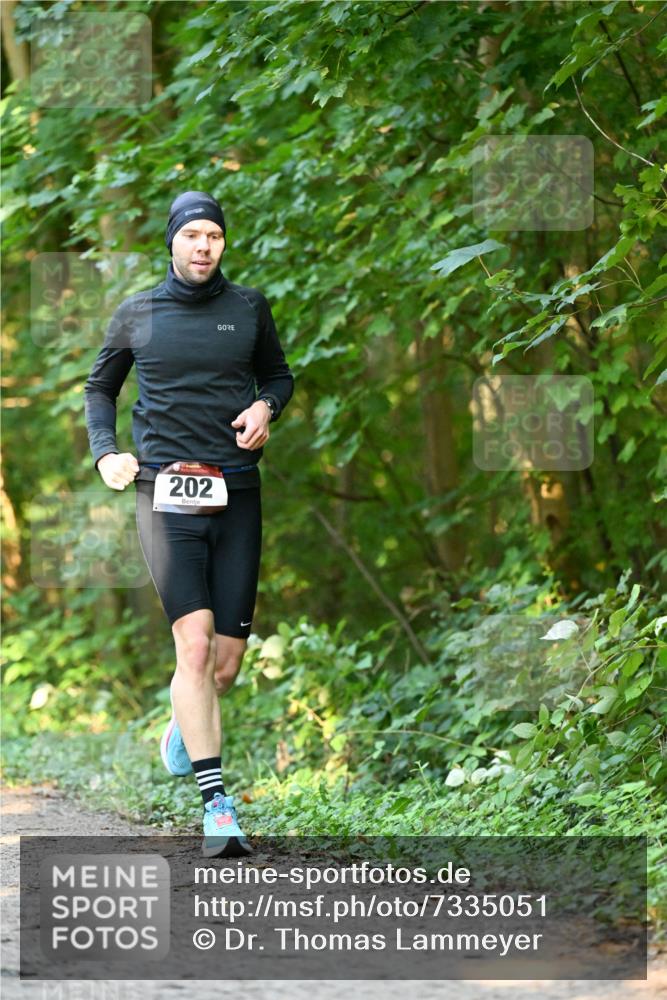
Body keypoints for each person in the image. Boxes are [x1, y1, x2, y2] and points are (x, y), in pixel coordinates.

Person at [84, 191, 294, 856]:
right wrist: (106, 452)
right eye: (192, 235)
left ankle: (181, 726)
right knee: (195, 647)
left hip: (237, 492)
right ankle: (218, 808)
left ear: (223, 243)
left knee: (225, 666)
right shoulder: (138, 312)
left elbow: (279, 377)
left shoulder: (248, 308)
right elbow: (100, 390)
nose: (203, 246)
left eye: (214, 236)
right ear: (172, 240)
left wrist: (265, 408)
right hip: (164, 493)